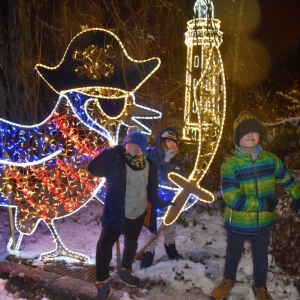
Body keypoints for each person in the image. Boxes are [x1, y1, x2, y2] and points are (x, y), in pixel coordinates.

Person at [210, 111, 300, 300]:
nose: (250, 134)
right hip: (238, 222)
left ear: (260, 135)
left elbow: (285, 178)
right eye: (245, 132)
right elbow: (233, 198)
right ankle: (228, 279)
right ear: (237, 138)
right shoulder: (230, 166)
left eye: (254, 131)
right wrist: (263, 204)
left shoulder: (270, 160)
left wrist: (296, 195)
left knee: (260, 256)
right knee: (233, 253)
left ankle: (260, 286)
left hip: (263, 222)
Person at [88, 130, 174, 300]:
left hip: (138, 213)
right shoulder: (115, 162)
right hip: (116, 213)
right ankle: (102, 283)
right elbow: (93, 169)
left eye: (138, 145)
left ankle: (125, 270)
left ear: (143, 148)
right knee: (104, 246)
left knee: (131, 243)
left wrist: (161, 202)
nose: (134, 148)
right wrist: (112, 151)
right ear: (125, 146)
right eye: (130, 144)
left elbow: (150, 189)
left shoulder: (150, 164)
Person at [140, 127, 188, 268]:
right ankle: (147, 257)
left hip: (170, 203)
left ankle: (171, 252)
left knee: (170, 228)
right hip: (153, 202)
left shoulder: (176, 163)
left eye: (174, 142)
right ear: (160, 142)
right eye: (167, 141)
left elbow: (182, 179)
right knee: (152, 230)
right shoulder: (148, 157)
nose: (171, 144)